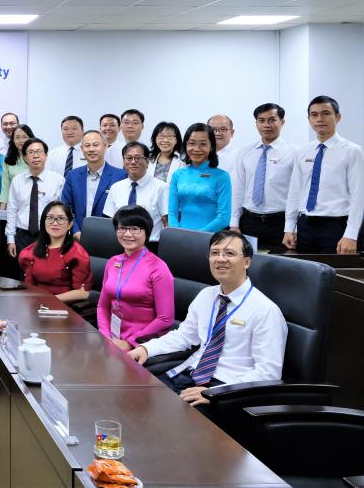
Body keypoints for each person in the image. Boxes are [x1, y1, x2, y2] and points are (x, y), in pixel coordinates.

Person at [129, 231, 287, 412]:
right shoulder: (206, 295)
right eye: (214, 253)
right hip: (191, 374)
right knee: (136, 397)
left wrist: (217, 393)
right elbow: (184, 336)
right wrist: (146, 348)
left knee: (169, 417)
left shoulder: (266, 311)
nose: (220, 259)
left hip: (228, 389)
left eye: (229, 253)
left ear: (247, 262)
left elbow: (268, 373)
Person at [283, 96, 364, 254]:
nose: (319, 119)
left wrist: (351, 234)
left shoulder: (352, 151)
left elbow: (358, 195)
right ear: (309, 119)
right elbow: (295, 192)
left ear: (337, 117)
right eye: (314, 115)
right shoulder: (302, 151)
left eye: (326, 113)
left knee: (337, 276)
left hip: (336, 227)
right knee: (306, 276)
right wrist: (289, 227)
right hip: (305, 227)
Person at [98, 206, 174, 350]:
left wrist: (130, 342)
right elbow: (102, 305)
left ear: (147, 232)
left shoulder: (158, 267)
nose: (127, 234)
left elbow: (165, 319)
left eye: (134, 229)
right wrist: (105, 336)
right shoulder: (113, 262)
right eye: (122, 228)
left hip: (142, 344)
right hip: (112, 339)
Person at [230, 103, 295, 253]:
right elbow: (238, 188)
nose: (267, 125)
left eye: (272, 120)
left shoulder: (293, 153)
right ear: (256, 123)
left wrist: (291, 228)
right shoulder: (245, 152)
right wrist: (234, 223)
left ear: (282, 122)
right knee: (247, 264)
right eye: (262, 120)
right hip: (249, 221)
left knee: (279, 267)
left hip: (279, 222)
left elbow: (297, 193)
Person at [17, 201, 91, 302]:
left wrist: (50, 300)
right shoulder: (32, 251)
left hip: (64, 308)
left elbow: (83, 293)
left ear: (70, 224)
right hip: (36, 305)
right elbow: (30, 286)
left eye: (60, 218)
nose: (55, 223)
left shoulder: (77, 253)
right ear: (43, 222)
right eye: (50, 218)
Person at [61, 130, 127, 238]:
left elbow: (121, 212)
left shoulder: (120, 176)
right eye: (87, 145)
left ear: (105, 146)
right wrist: (76, 232)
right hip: (76, 238)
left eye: (96, 145)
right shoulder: (72, 175)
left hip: (108, 237)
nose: (91, 149)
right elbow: (66, 208)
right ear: (82, 149)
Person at [6, 138, 65, 258]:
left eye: (39, 152)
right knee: (23, 273)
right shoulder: (17, 180)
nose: (35, 156)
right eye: (31, 152)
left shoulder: (58, 180)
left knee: (47, 272)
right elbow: (12, 210)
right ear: (25, 157)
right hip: (23, 236)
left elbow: (64, 212)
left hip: (49, 235)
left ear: (46, 155)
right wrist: (10, 239)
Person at [168, 123, 231, 232]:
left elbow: (224, 218)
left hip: (210, 239)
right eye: (192, 143)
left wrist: (197, 236)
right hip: (181, 238)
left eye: (203, 144)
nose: (196, 149)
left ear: (211, 146)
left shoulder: (222, 177)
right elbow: (172, 212)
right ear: (186, 144)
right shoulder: (177, 175)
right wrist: (177, 233)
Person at [104, 142, 170, 244]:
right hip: (121, 245)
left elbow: (167, 222)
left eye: (138, 158)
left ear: (147, 162)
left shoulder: (161, 187)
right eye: (129, 158)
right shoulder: (116, 188)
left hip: (151, 245)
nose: (133, 162)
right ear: (124, 162)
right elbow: (110, 220)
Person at [0, 124, 34, 207]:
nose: (21, 140)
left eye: (24, 137)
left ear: (30, 138)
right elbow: (5, 188)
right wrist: (2, 212)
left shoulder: (37, 158)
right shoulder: (8, 160)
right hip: (14, 204)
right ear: (13, 140)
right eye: (17, 137)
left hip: (35, 203)